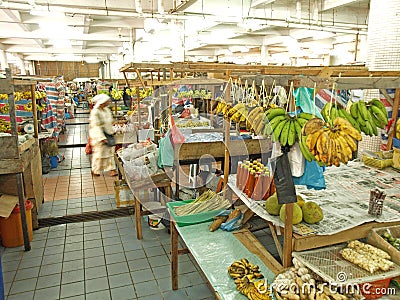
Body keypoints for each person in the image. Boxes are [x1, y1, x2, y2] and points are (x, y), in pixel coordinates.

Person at [89, 94, 118, 177]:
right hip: (98, 136)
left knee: (110, 153)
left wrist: (112, 130)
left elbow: (110, 121)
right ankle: (95, 170)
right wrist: (101, 137)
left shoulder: (106, 110)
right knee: (99, 154)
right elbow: (95, 126)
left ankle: (112, 170)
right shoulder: (95, 112)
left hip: (108, 134)